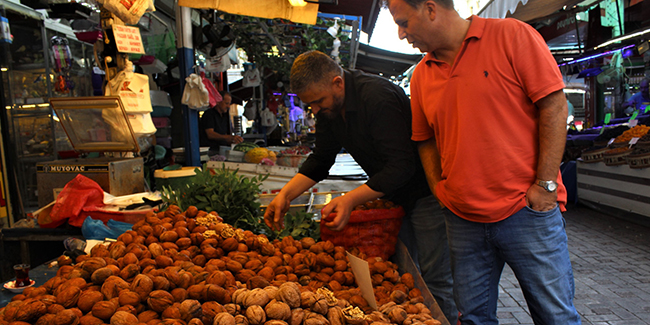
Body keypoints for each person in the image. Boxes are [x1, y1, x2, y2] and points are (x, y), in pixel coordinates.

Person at [386, 0, 581, 324]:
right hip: (463, 221)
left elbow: (555, 107)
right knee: (474, 318)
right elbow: (425, 140)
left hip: (526, 212)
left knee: (555, 317)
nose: (401, 34)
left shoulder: (512, 36)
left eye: (404, 22)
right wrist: (439, 190)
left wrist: (545, 185)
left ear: (431, 9)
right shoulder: (421, 76)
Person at [263, 50, 458, 324]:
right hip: (391, 197)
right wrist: (286, 194)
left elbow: (401, 166)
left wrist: (351, 199)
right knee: (402, 273)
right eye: (311, 105)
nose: (316, 110)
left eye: (318, 102)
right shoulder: (329, 110)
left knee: (435, 276)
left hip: (424, 193)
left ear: (337, 83)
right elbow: (321, 158)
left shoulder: (377, 97)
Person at [200, 91, 243, 155]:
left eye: (229, 104)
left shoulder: (225, 116)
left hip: (222, 150)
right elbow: (210, 134)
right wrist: (228, 137)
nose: (228, 106)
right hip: (209, 151)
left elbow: (226, 134)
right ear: (218, 102)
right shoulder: (209, 114)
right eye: (226, 103)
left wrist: (233, 139)